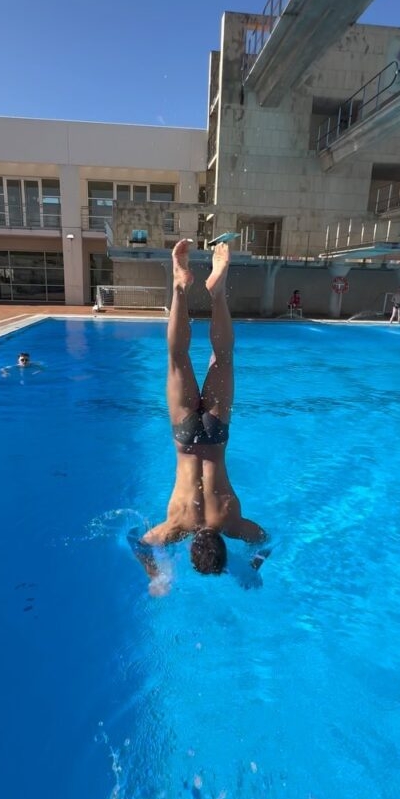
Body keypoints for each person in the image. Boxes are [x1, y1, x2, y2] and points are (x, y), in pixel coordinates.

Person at [129, 239, 268, 593]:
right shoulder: (177, 525)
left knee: (223, 357)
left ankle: (218, 293)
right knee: (177, 358)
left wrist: (253, 565)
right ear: (192, 545)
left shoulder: (233, 523)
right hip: (186, 437)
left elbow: (265, 540)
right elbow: (141, 543)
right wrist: (155, 575)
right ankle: (179, 288)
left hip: (216, 434)